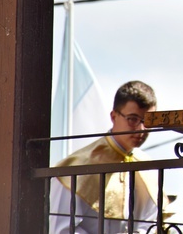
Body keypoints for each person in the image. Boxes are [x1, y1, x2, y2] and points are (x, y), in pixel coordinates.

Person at [49, 80, 168, 234]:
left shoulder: (150, 169)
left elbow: (153, 224)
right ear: (114, 116)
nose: (141, 129)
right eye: (133, 119)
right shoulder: (73, 169)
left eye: (148, 122)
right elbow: (61, 230)